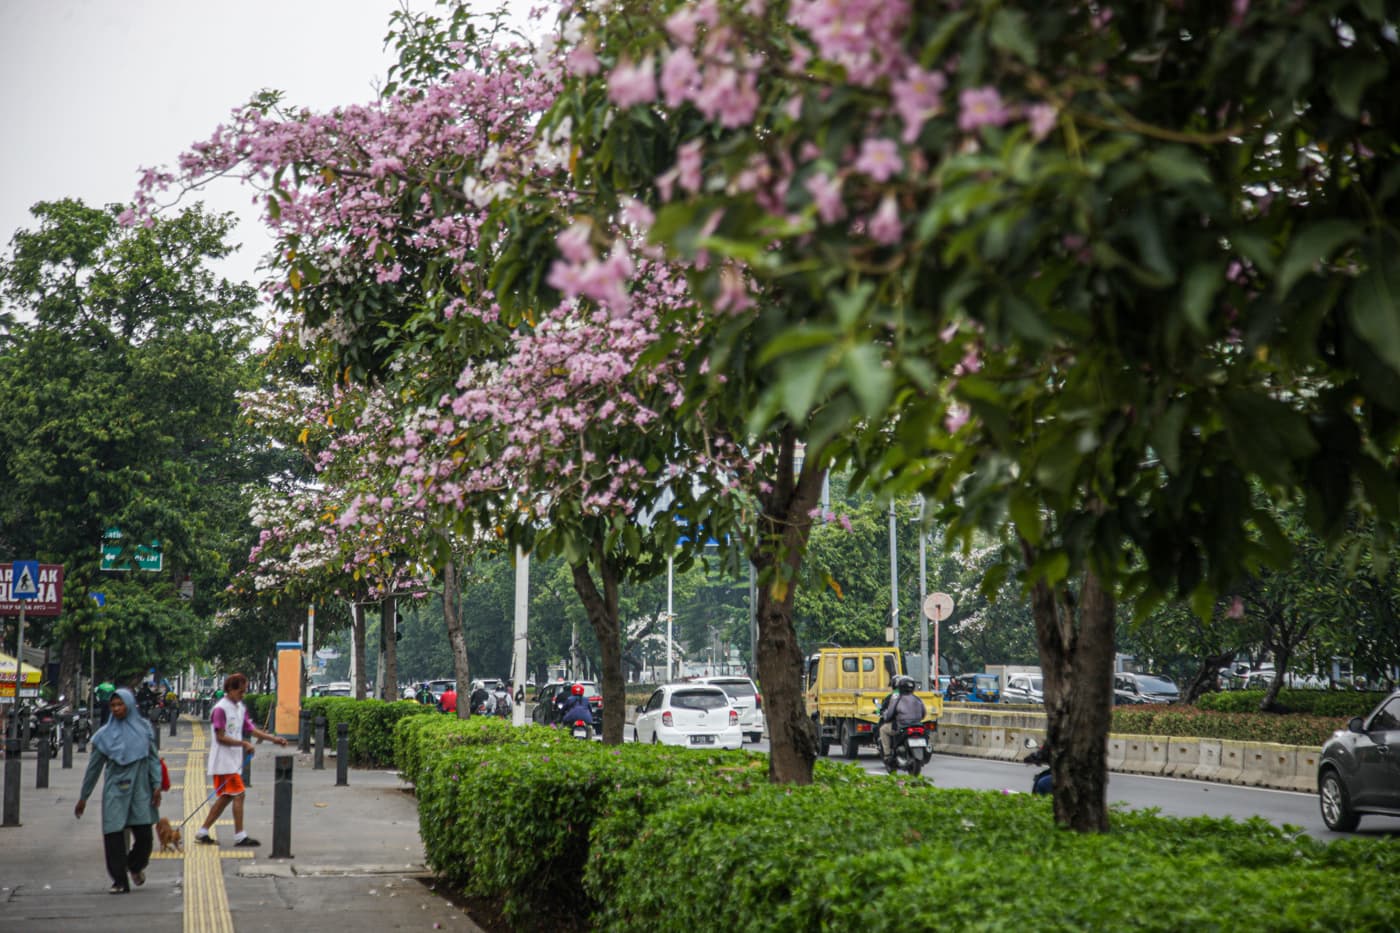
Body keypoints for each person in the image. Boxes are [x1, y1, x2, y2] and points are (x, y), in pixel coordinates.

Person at [74, 687, 162, 894]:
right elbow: (93, 769)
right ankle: (119, 880)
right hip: (115, 790)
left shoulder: (143, 729)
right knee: (113, 836)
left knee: (144, 838)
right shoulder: (103, 736)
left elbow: (153, 759)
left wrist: (157, 785)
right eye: (113, 705)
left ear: (129, 705)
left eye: (120, 704)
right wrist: (83, 797)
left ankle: (134, 865)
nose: (116, 709)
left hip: (140, 789)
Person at [193, 673, 289, 847]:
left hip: (232, 761)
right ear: (230, 689)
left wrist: (274, 739)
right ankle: (239, 836)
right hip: (223, 762)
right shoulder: (220, 709)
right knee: (239, 793)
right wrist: (244, 744)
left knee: (226, 797)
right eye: (240, 691)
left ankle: (203, 831)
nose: (242, 695)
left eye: (244, 692)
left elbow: (250, 729)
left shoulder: (239, 708)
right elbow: (220, 737)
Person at [876, 676, 926, 767]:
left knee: (883, 730)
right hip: (918, 725)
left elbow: (890, 713)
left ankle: (887, 755)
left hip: (901, 726)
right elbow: (924, 714)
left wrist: (887, 717)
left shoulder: (896, 698)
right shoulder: (917, 698)